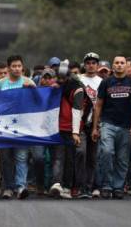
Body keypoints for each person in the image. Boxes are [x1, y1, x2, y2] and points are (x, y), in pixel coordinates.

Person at [92, 55, 131, 199]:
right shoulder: (106, 82)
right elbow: (99, 105)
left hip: (126, 125)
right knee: (107, 152)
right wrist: (95, 127)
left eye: (122, 63)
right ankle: (107, 185)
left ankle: (118, 186)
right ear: (113, 66)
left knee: (122, 158)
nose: (119, 65)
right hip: (108, 123)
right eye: (117, 63)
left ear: (126, 65)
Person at [0, 55, 36, 200]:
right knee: (6, 158)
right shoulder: (0, 84)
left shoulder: (28, 82)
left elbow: (38, 103)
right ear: (8, 67)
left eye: (19, 66)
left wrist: (32, 90)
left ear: (22, 67)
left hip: (23, 126)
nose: (17, 68)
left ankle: (20, 187)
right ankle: (7, 187)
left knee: (21, 158)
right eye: (14, 66)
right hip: (5, 126)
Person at [49, 61, 87, 199]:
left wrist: (75, 132)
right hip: (58, 128)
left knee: (70, 159)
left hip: (71, 130)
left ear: (69, 76)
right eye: (58, 78)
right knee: (58, 158)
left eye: (63, 78)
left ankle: (67, 187)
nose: (60, 81)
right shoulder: (57, 87)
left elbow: (77, 110)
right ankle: (57, 184)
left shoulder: (77, 89)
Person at [80, 52, 102, 198]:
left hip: (96, 122)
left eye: (93, 62)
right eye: (88, 62)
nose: (91, 65)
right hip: (81, 122)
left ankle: (92, 185)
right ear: (84, 65)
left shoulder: (102, 82)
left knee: (93, 157)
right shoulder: (78, 79)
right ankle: (82, 187)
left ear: (97, 65)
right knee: (81, 153)